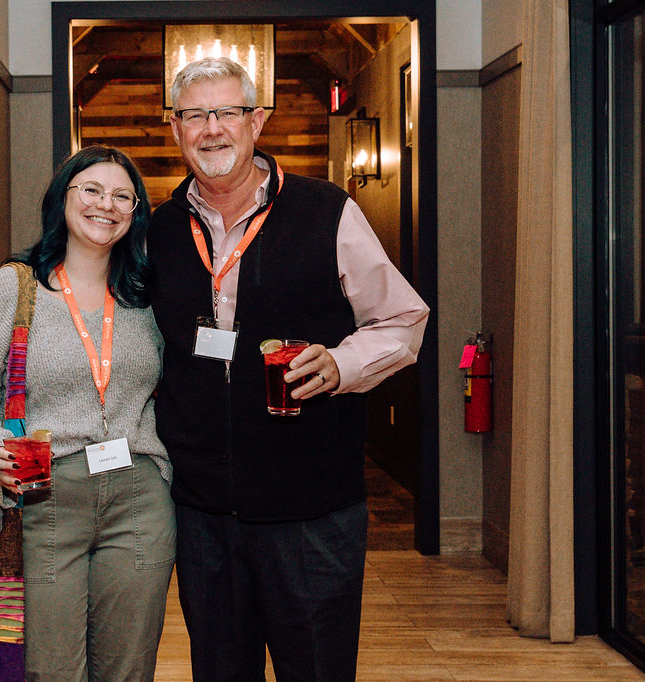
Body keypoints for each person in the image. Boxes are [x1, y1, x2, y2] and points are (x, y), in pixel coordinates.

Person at [146, 58, 430, 681]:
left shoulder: (327, 210)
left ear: (257, 122)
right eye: (195, 115)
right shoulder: (160, 230)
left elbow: (404, 319)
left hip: (311, 512)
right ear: (175, 128)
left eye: (227, 112)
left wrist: (343, 363)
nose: (212, 129)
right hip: (203, 515)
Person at [0, 145, 175, 681]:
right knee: (51, 669)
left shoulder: (147, 297)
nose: (106, 205)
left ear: (136, 211)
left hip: (139, 499)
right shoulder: (12, 288)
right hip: (47, 497)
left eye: (122, 196)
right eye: (91, 190)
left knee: (129, 668)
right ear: (62, 198)